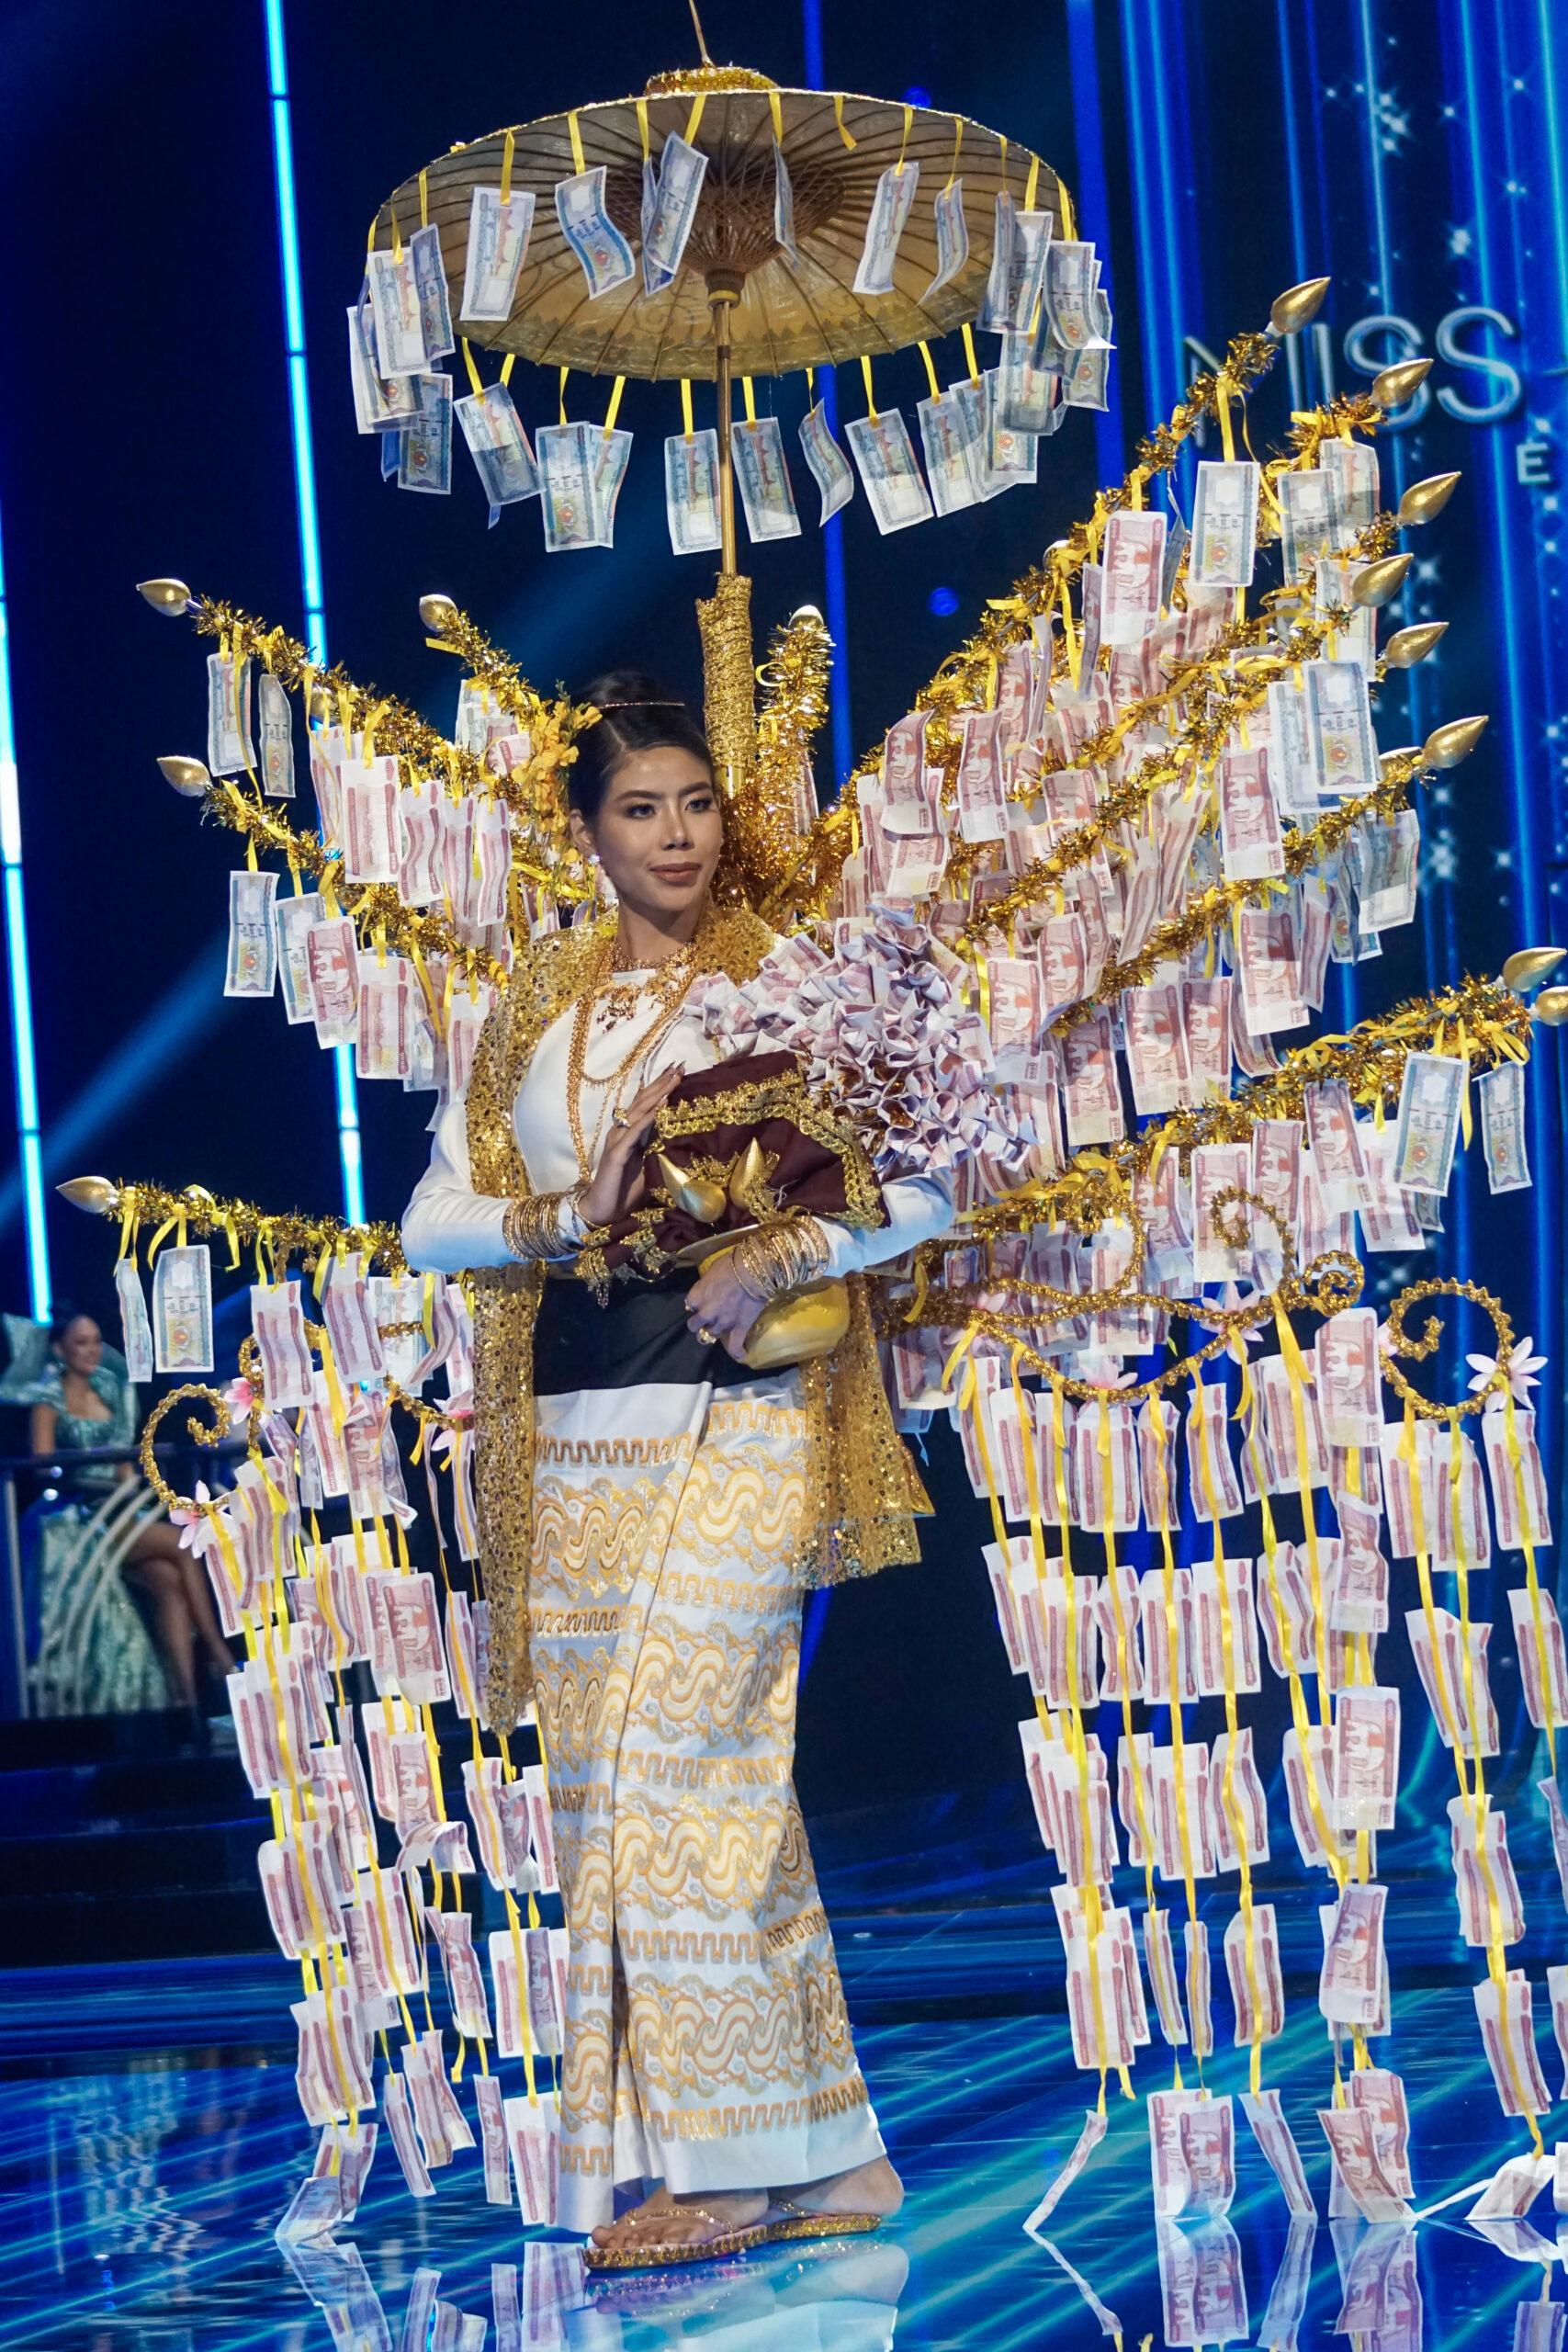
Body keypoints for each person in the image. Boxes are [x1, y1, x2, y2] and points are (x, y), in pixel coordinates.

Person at [401, 673, 953, 2268]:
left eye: (697, 804)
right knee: (626, 1789)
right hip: (578, 1434)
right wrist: (555, 1223)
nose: (677, 835)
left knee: (685, 1760)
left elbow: (927, 1186)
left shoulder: (783, 983)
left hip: (734, 1410)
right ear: (586, 836)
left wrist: (781, 1243)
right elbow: (426, 1219)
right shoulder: (534, 1011)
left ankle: (722, 2163)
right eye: (640, 809)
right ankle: (829, 2155)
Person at [0, 1306, 234, 1716]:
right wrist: (83, 1478)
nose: (91, 1350)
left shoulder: (106, 1392)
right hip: (83, 1514)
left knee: (168, 1585)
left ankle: (188, 1706)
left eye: (95, 1341)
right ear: (60, 1349)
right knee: (182, 1546)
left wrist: (130, 1483)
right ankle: (219, 1653)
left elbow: (126, 1466)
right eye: (80, 1343)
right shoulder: (48, 1398)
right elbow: (41, 1467)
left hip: (118, 1510)